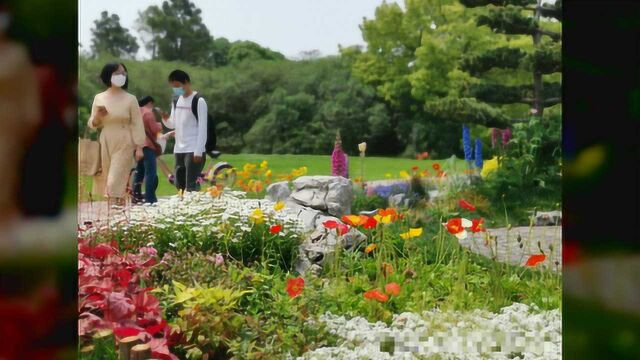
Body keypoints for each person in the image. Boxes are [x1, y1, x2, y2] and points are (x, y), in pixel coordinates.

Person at [0, 2, 41, 245]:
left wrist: (30, 118)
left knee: (5, 174)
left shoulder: (16, 54)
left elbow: (28, 91)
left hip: (8, 125)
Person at [88, 62, 145, 208]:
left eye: (124, 73)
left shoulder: (130, 99)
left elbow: (137, 123)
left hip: (125, 140)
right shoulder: (99, 98)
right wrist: (98, 117)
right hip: (106, 139)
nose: (122, 76)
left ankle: (114, 211)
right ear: (108, 76)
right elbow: (92, 124)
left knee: (114, 180)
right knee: (111, 178)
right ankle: (118, 215)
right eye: (118, 73)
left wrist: (139, 147)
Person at [161, 69, 207, 192]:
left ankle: (196, 208)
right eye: (173, 87)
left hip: (193, 149)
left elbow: (203, 127)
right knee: (179, 183)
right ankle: (183, 208)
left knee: (191, 184)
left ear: (186, 82)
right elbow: (173, 123)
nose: (176, 89)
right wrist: (165, 119)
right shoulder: (176, 100)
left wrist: (199, 150)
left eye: (177, 86)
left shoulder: (198, 100)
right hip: (179, 149)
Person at [132, 95, 163, 204]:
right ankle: (150, 198)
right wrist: (160, 125)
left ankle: (136, 196)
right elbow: (154, 129)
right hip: (147, 146)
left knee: (139, 172)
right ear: (150, 103)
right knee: (151, 173)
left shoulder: (135, 112)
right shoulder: (148, 113)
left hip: (137, 146)